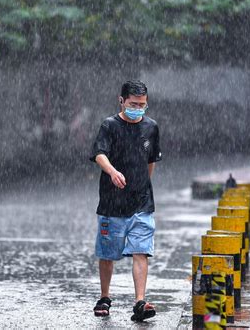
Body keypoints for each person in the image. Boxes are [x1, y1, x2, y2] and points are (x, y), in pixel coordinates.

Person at [89, 80, 162, 322]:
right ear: (121, 101)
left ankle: (140, 302)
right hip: (112, 203)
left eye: (142, 104)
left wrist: (143, 185)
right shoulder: (109, 125)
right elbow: (99, 153)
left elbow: (150, 160)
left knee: (142, 251)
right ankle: (105, 297)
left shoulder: (151, 127)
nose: (138, 108)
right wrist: (112, 171)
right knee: (108, 253)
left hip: (142, 202)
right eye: (133, 104)